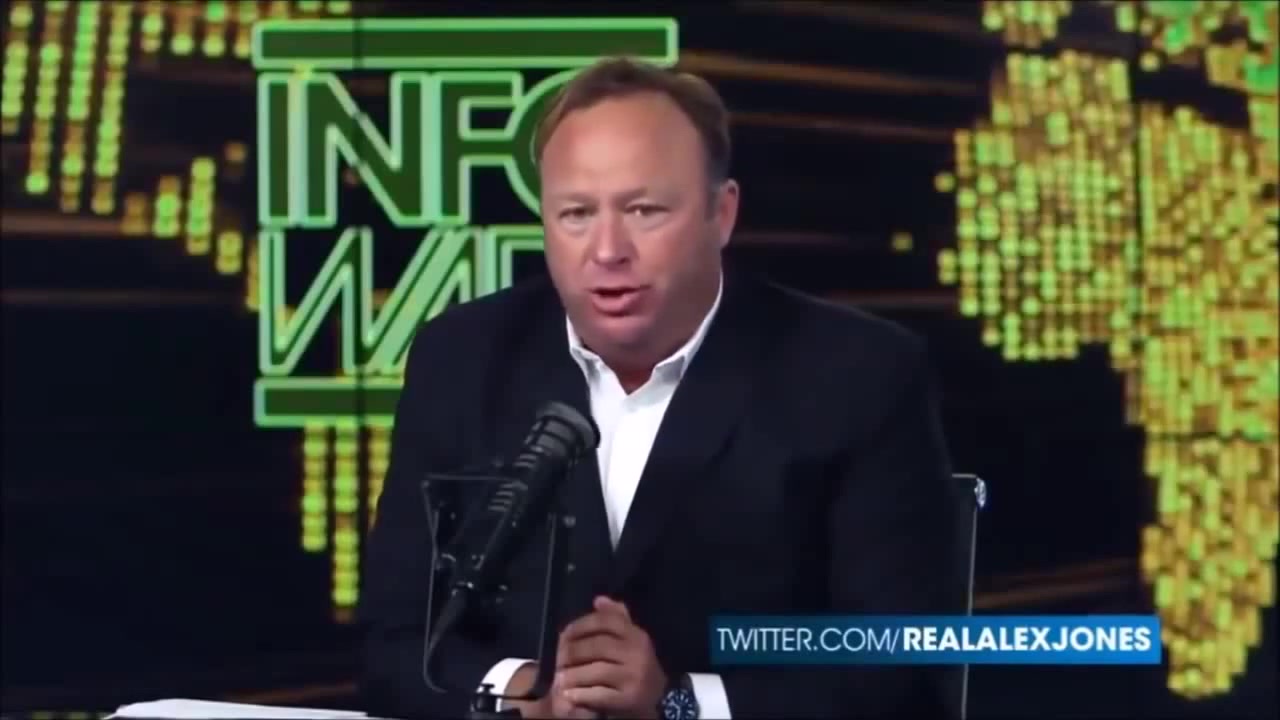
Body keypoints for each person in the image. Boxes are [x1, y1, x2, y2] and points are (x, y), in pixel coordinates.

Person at [358, 56, 966, 719]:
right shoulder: (463, 359)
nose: (607, 250)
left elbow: (903, 665)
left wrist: (680, 703)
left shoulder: (857, 374)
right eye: (575, 214)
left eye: (643, 210)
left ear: (721, 214)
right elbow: (392, 638)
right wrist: (524, 693)